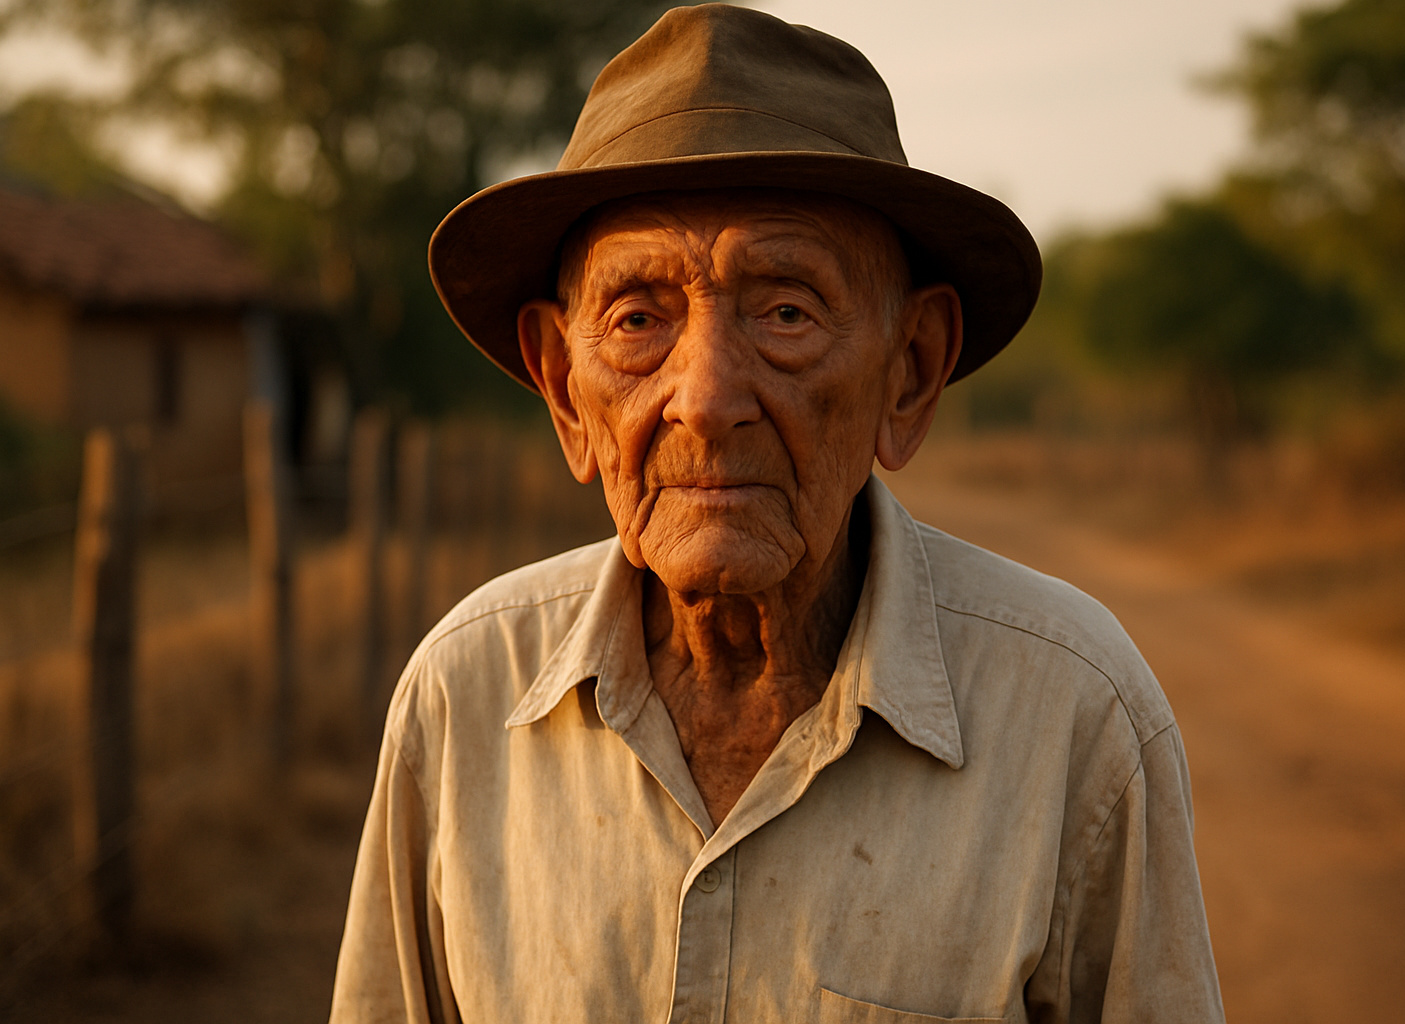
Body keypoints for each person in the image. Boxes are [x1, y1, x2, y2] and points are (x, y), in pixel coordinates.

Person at [330, 5, 1224, 1022]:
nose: (706, 397)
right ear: (563, 387)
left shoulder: (1073, 712)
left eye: (786, 310)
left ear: (911, 370)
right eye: (637, 320)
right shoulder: (461, 697)